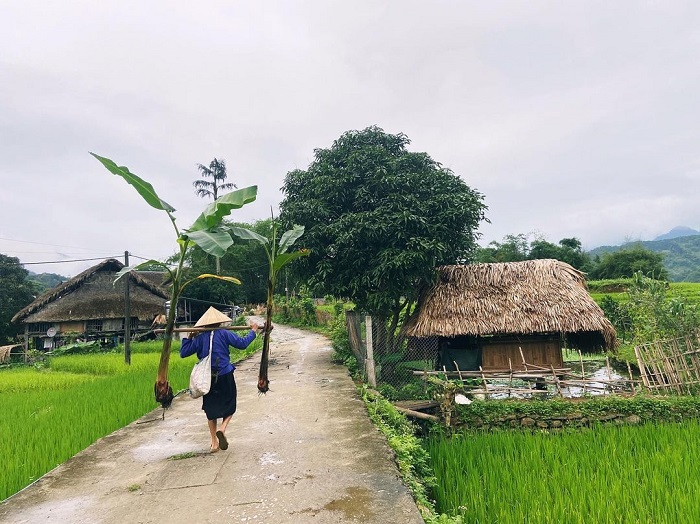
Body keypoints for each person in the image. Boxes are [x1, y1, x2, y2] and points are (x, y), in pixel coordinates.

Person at [180, 306, 260, 453]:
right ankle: (222, 429)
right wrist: (253, 331)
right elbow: (242, 344)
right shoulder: (224, 333)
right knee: (230, 404)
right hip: (224, 374)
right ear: (219, 322)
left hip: (207, 378)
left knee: (211, 410)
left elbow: (184, 352)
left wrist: (189, 337)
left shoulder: (200, 337)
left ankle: (214, 443)